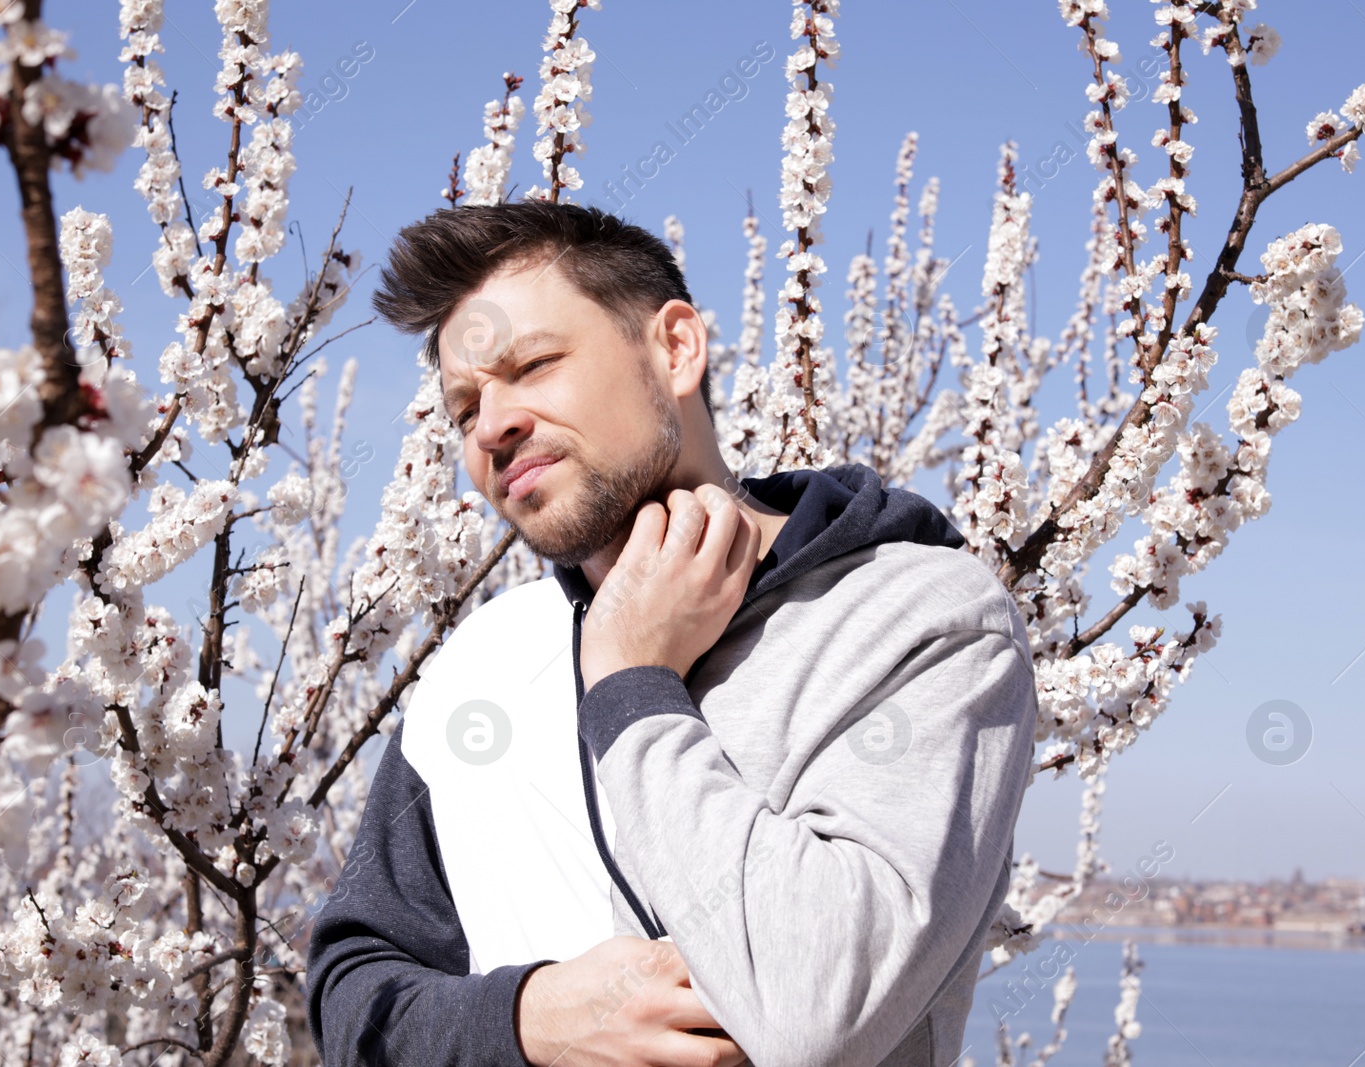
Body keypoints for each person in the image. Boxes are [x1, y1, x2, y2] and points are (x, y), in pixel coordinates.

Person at [305, 199, 1039, 1067]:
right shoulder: (481, 667)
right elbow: (352, 990)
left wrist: (630, 681)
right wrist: (528, 1019)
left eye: (534, 364)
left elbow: (815, 1009)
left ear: (676, 348)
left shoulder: (919, 619)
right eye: (465, 408)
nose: (492, 427)